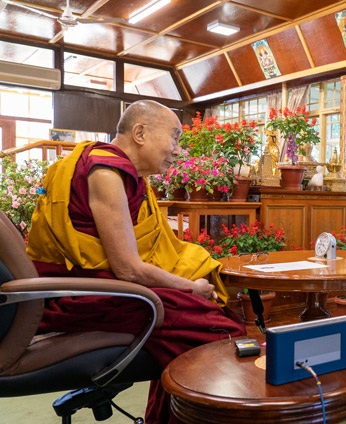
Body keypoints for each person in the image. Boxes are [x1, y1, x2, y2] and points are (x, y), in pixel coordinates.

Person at [25, 100, 247, 423]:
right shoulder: (106, 172)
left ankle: (166, 416)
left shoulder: (124, 176)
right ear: (140, 133)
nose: (177, 149)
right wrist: (192, 287)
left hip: (105, 285)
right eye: (174, 137)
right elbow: (129, 268)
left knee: (212, 320)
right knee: (219, 331)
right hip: (87, 294)